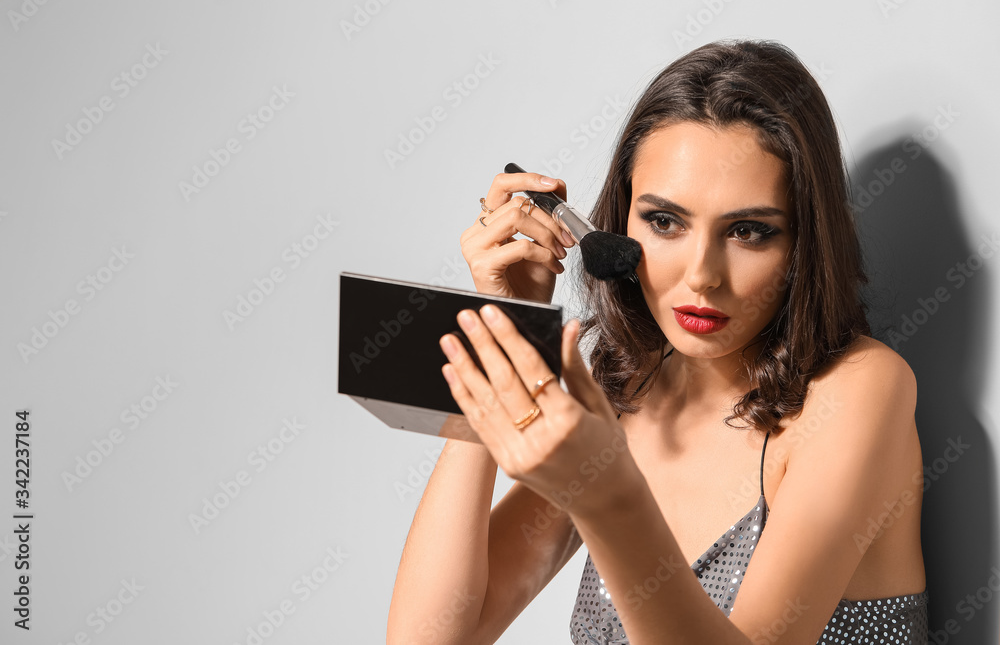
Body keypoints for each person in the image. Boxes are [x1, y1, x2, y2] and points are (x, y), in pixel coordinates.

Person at [386, 39, 928, 645]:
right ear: (616, 225)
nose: (701, 276)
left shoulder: (860, 392)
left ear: (804, 242)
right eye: (665, 222)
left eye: (749, 231)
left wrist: (609, 499)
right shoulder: (628, 388)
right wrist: (499, 322)